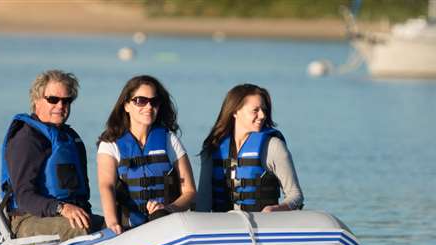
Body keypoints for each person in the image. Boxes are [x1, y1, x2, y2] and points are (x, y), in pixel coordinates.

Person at [0, 70, 104, 241]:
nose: (60, 106)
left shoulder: (71, 139)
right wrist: (62, 208)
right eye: (53, 100)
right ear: (36, 101)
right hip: (28, 219)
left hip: (70, 215)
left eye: (66, 100)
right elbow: (24, 197)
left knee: (116, 226)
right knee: (79, 228)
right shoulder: (27, 139)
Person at [96, 75, 196, 234]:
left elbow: (189, 191)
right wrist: (112, 224)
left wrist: (168, 209)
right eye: (140, 101)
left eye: (154, 102)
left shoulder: (169, 140)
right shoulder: (110, 144)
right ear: (126, 105)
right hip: (127, 226)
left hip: (164, 222)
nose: (149, 107)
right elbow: (106, 186)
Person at [197, 84, 303, 213]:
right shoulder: (212, 148)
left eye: (264, 109)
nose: (263, 115)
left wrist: (277, 208)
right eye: (255, 110)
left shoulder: (273, 146)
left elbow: (295, 196)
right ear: (235, 112)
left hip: (263, 224)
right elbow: (203, 200)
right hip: (223, 226)